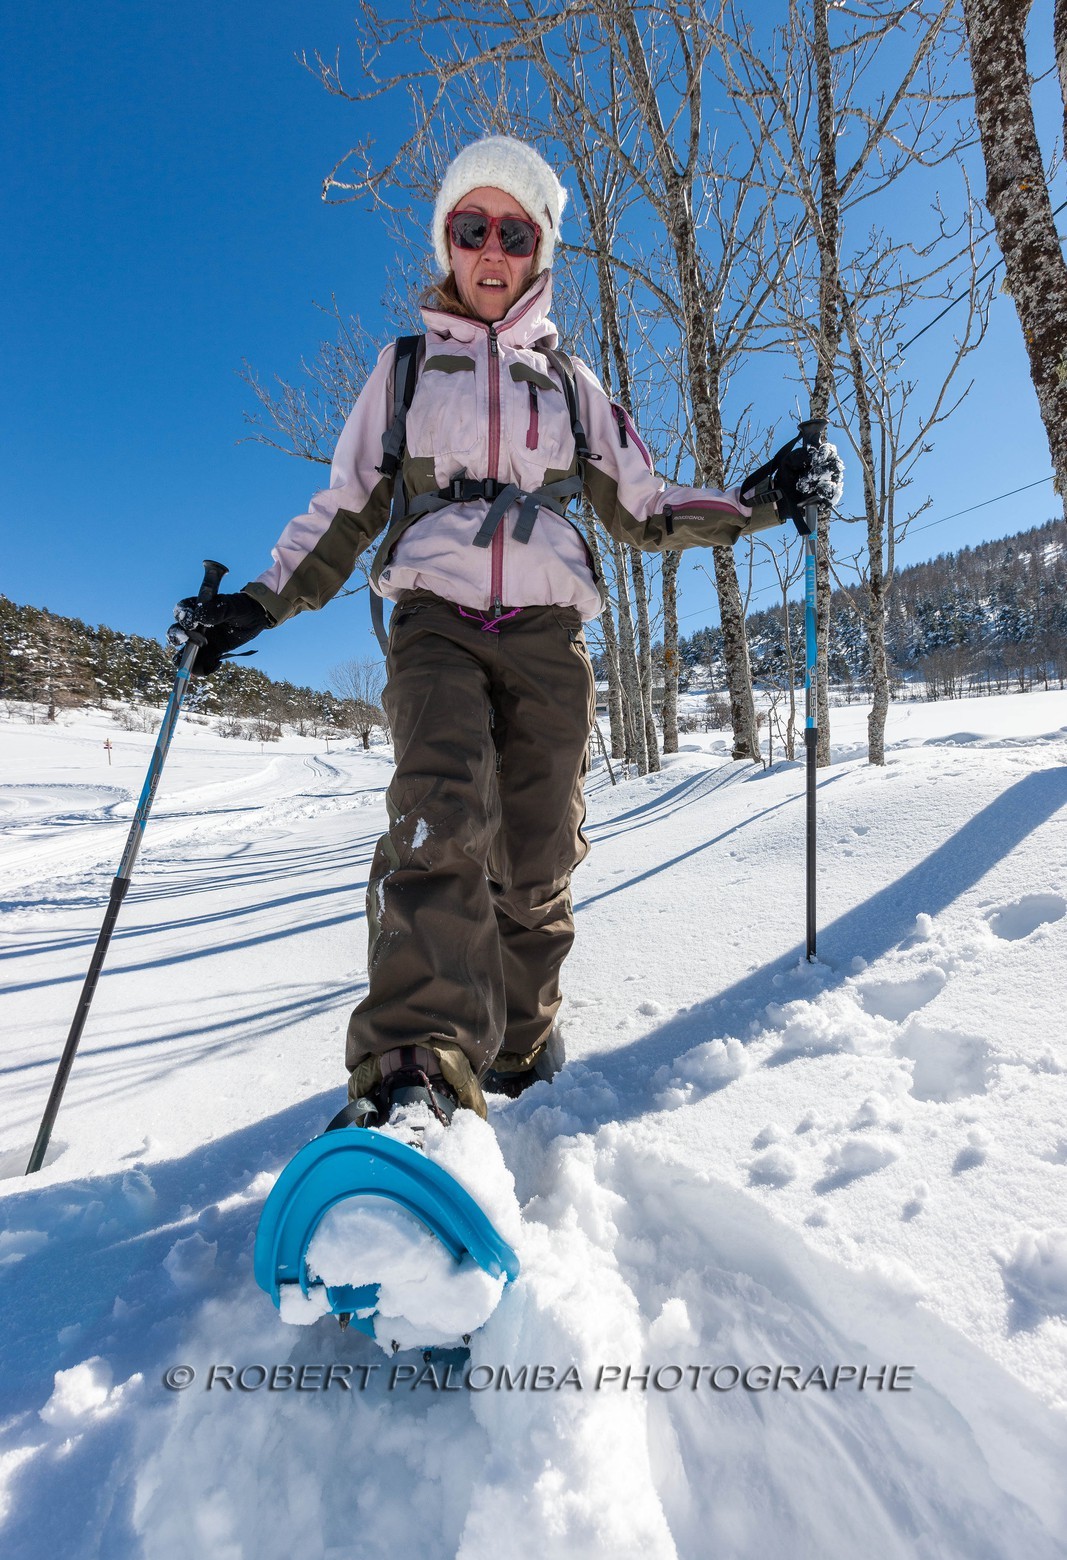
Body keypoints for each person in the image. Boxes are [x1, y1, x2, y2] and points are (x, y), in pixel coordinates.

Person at [171, 135, 824, 1140]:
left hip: (548, 629)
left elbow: (644, 507)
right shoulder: (401, 371)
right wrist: (258, 601)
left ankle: (517, 1037)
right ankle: (413, 1063)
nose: (490, 248)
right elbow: (342, 510)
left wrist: (756, 502)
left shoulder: (571, 385)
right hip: (434, 618)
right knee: (437, 817)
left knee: (536, 849)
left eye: (512, 232)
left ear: (537, 251)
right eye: (470, 227)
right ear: (446, 243)